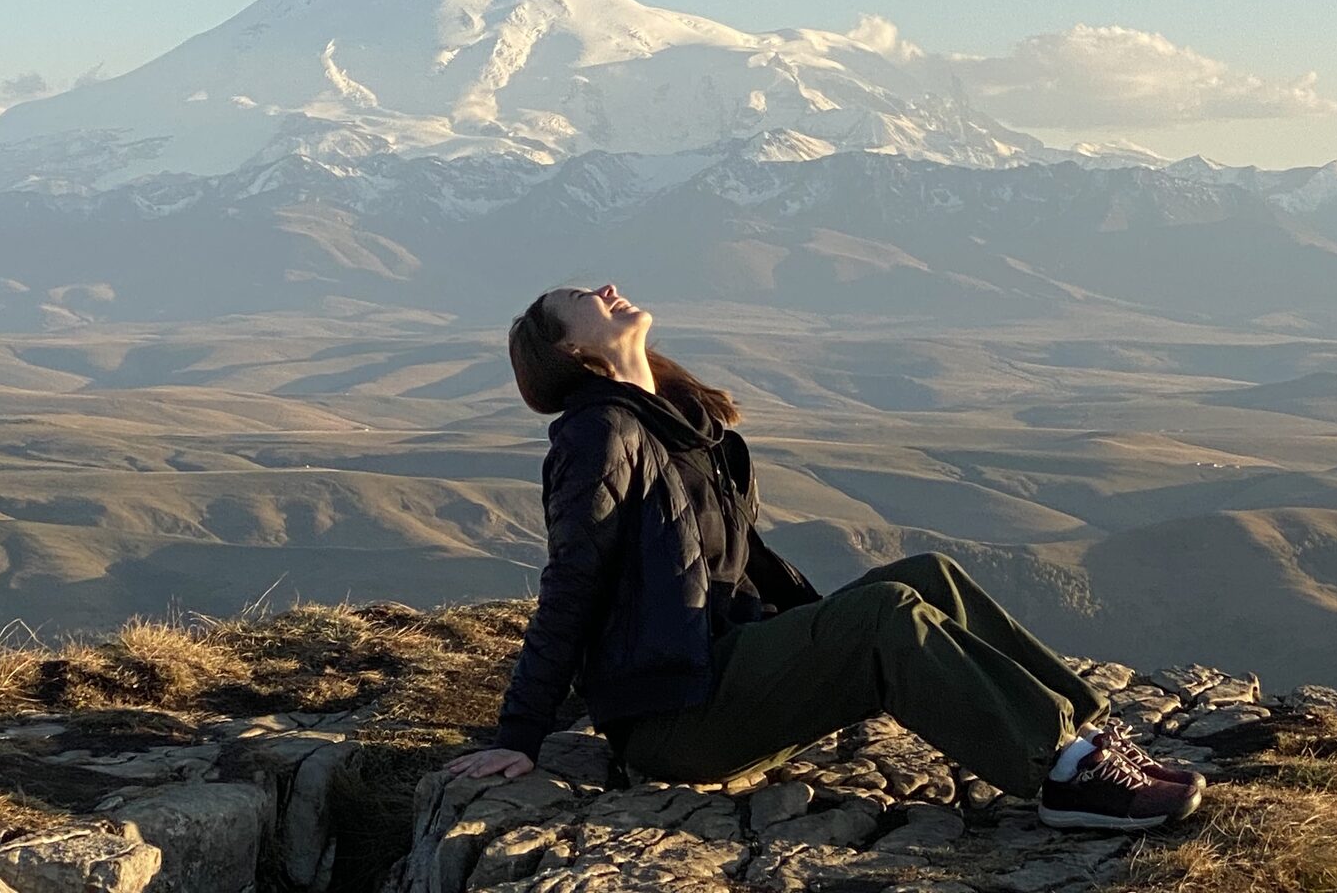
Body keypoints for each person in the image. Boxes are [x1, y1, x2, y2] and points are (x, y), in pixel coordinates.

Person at [446, 282, 1204, 830]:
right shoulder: (597, 434)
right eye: (581, 295)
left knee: (927, 577)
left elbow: (739, 566)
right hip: (677, 715)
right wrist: (519, 737)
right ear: (572, 350)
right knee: (883, 616)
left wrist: (811, 634)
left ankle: (1091, 737)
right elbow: (571, 585)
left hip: (725, 669)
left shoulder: (682, 423)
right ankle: (1062, 776)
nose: (607, 288)